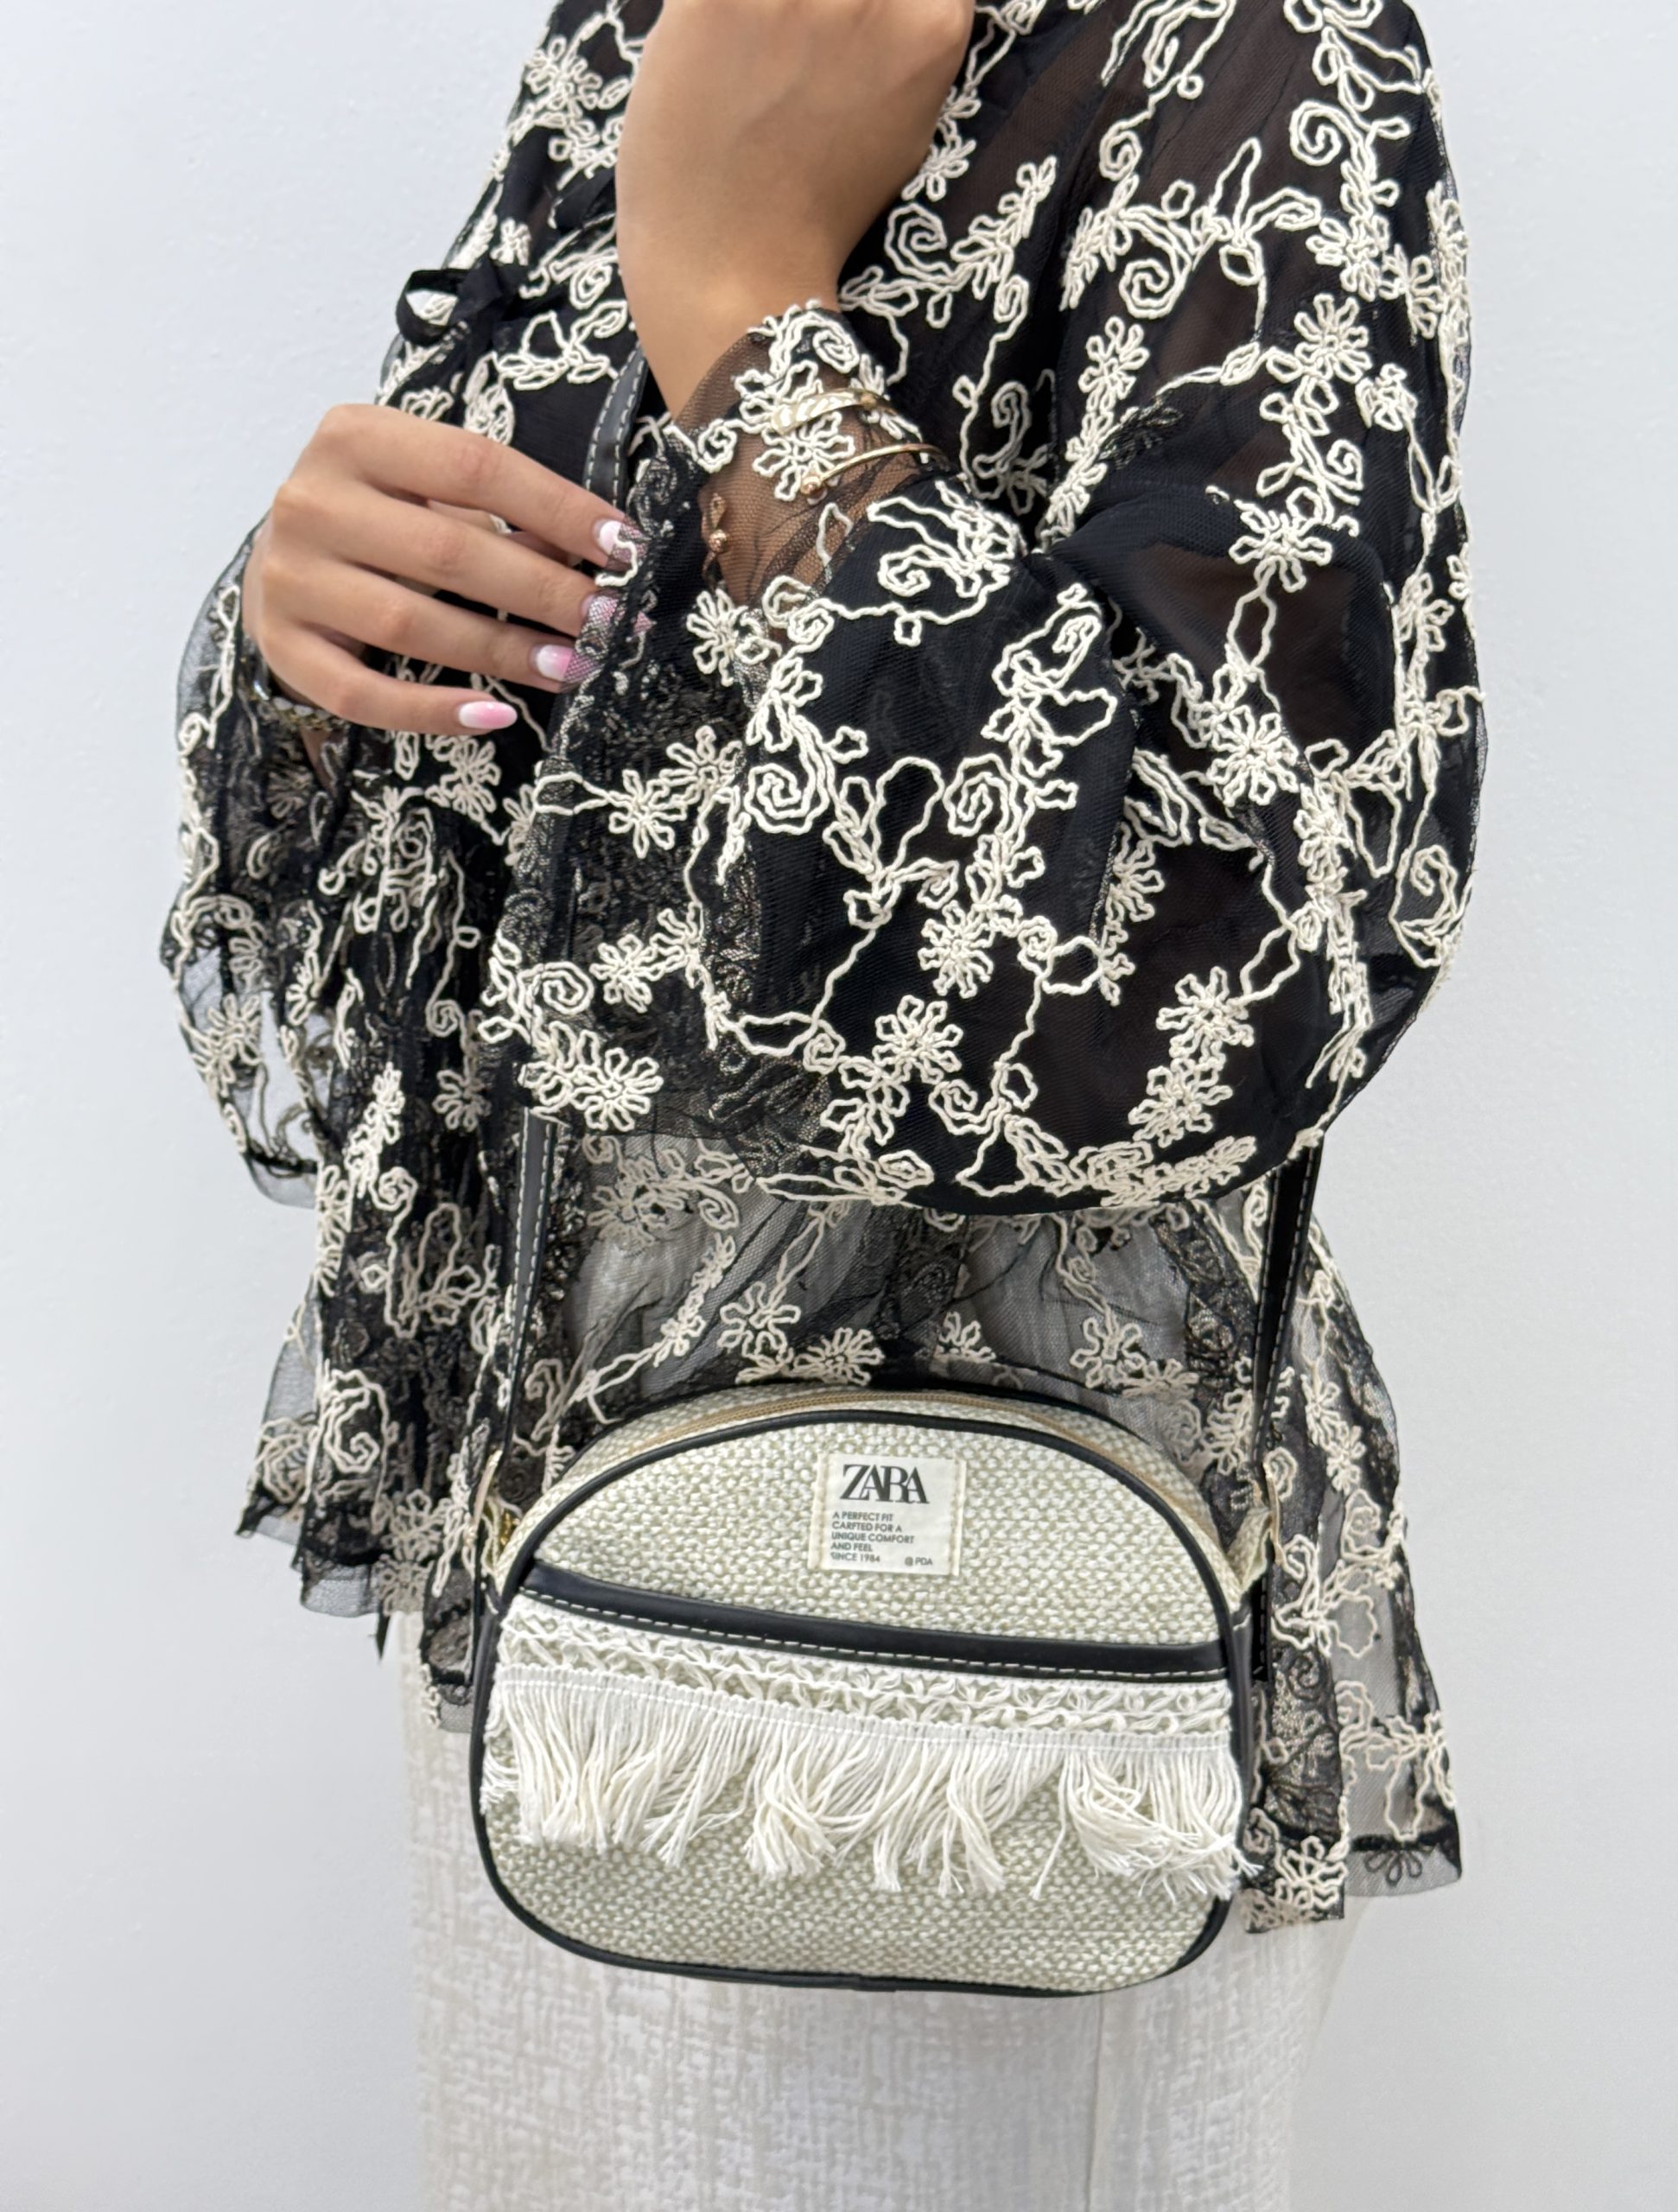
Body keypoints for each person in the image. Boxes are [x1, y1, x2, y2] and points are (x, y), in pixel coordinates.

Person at [165, 1, 1482, 2202]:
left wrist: (745, 312)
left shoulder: (1248, 47)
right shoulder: (640, 31)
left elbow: (1219, 951)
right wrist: (315, 641)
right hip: (574, 1625)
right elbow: (503, 917)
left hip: (1013, 1677)